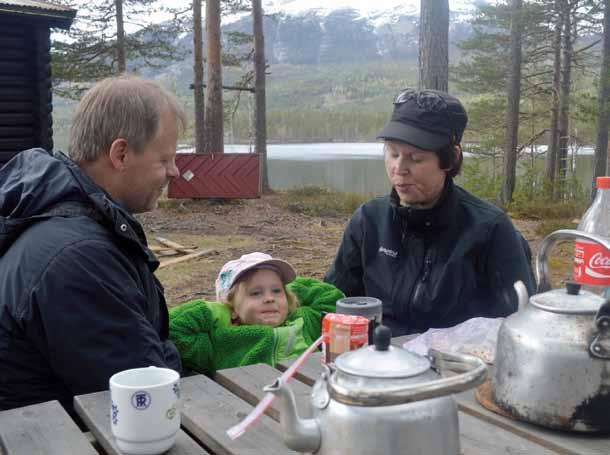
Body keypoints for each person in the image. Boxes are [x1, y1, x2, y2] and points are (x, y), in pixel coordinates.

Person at [0, 75, 186, 412]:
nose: (174, 172)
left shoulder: (61, 222)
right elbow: (146, 391)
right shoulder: (78, 258)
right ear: (121, 154)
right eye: (164, 160)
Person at [325, 88, 536, 337]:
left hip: (455, 367)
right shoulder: (369, 220)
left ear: (450, 159)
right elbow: (332, 302)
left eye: (415, 158)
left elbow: (521, 324)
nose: (399, 169)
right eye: (393, 154)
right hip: (374, 364)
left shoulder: (489, 229)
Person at [168, 252, 344, 375]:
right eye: (255, 293)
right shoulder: (220, 342)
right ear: (232, 306)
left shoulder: (304, 321)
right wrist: (217, 311)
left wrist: (291, 288)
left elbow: (332, 300)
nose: (269, 298)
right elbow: (173, 329)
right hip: (247, 411)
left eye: (276, 291)